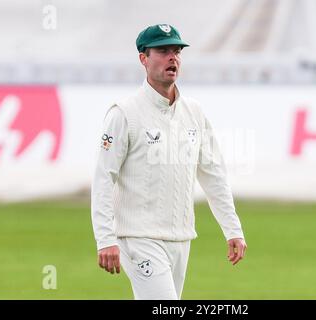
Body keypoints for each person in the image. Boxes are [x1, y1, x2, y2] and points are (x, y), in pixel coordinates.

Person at [91, 24, 247, 300]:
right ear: (143, 58)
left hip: (181, 238)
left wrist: (232, 228)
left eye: (176, 51)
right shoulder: (124, 113)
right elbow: (104, 177)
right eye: (162, 51)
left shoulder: (194, 112)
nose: (172, 58)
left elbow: (213, 175)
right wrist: (105, 239)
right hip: (139, 238)